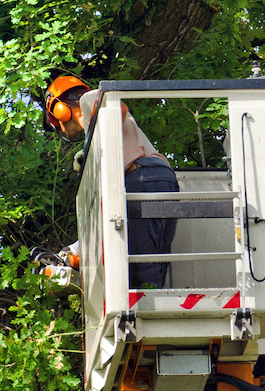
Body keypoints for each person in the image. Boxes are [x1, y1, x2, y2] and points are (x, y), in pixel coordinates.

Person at [43, 75, 179, 289]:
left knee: (141, 261)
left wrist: (92, 150)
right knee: (157, 256)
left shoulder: (89, 100)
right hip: (163, 177)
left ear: (59, 109)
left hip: (142, 176)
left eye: (55, 123)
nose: (59, 129)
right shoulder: (93, 128)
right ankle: (159, 303)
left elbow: (118, 110)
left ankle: (148, 308)